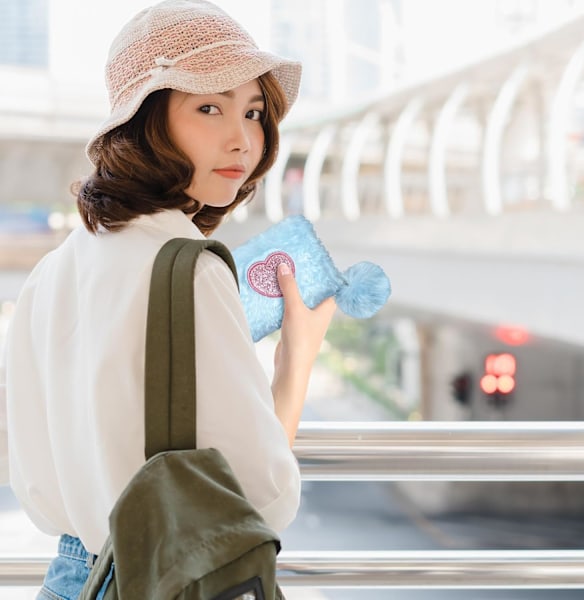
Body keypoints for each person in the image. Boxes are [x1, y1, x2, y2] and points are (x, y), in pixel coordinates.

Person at [0, 1, 336, 598]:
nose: (243, 138)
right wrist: (295, 365)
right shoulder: (190, 271)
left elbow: (25, 463)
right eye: (209, 107)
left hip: (65, 582)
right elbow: (260, 501)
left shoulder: (51, 273)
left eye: (254, 111)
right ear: (147, 122)